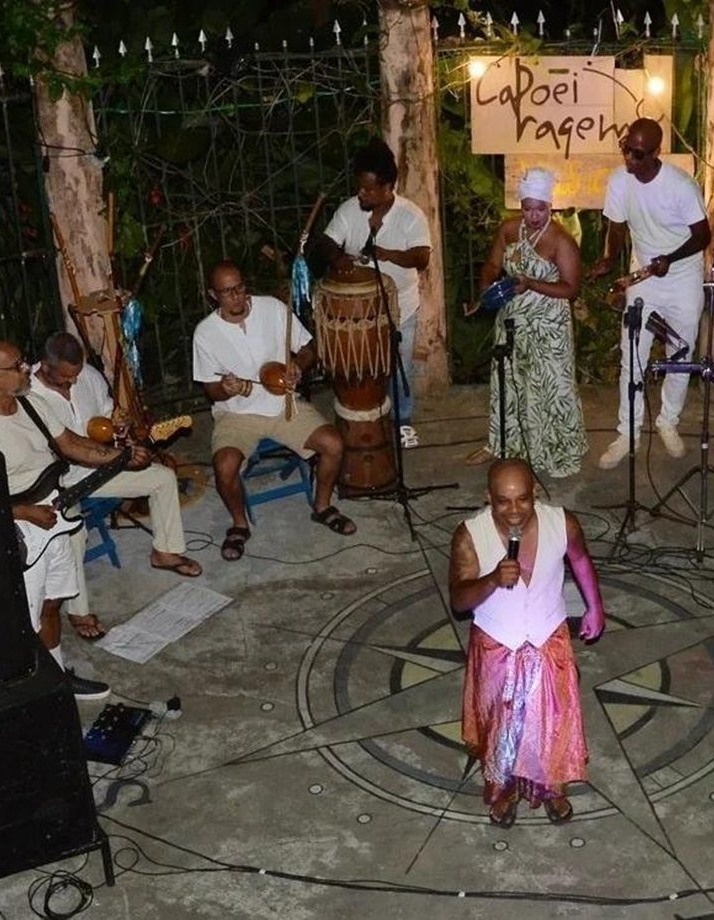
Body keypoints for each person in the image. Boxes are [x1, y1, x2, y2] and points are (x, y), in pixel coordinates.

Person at [0, 339, 145, 700]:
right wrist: (23, 511)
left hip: (55, 515)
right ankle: (34, 693)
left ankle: (58, 676)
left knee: (52, 603)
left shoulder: (30, 404)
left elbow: (70, 445)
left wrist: (120, 455)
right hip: (22, 529)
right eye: (16, 366)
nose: (26, 369)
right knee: (26, 618)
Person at [450, 458, 606, 826]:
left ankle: (552, 787)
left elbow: (581, 561)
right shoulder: (470, 534)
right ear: (489, 498)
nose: (514, 510)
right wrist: (490, 580)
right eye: (503, 501)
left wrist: (595, 607)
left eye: (522, 499)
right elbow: (458, 600)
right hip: (496, 645)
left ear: (535, 494)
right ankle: (505, 790)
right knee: (502, 726)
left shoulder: (562, 523)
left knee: (550, 721)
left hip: (548, 638)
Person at [29, 332, 202, 639]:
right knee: (73, 532)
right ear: (45, 365)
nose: (72, 383)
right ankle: (79, 611)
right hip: (57, 480)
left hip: (101, 467)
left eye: (76, 376)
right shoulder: (27, 393)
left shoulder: (88, 375)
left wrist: (118, 424)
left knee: (162, 477)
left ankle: (166, 551)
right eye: (65, 378)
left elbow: (108, 412)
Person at [192, 260, 355, 561]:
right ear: (213, 295)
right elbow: (210, 390)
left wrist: (298, 365)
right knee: (224, 467)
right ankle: (240, 525)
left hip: (283, 404)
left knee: (333, 443)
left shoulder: (272, 309)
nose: (237, 297)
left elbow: (310, 347)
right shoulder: (205, 333)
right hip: (236, 415)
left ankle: (322, 507)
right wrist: (225, 388)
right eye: (227, 292)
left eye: (240, 288)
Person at [588, 117, 712, 468]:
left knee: (681, 353)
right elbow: (616, 224)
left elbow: (703, 235)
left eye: (638, 154)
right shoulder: (619, 181)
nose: (630, 158)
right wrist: (609, 258)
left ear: (656, 152)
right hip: (643, 274)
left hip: (682, 275)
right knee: (633, 352)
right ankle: (628, 431)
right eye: (626, 149)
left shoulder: (680, 186)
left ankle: (668, 421)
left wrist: (669, 260)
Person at [470, 167, 587, 478]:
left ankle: (554, 450)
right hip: (511, 320)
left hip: (549, 327)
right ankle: (501, 445)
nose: (533, 216)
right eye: (527, 208)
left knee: (550, 388)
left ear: (549, 206)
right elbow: (493, 264)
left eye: (540, 208)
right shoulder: (509, 230)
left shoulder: (561, 240)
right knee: (508, 382)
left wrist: (531, 284)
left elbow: (570, 289)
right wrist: (485, 290)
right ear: (520, 206)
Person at [318, 137, 432, 448]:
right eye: (360, 187)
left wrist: (390, 254)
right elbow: (327, 241)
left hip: (401, 308)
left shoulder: (411, 215)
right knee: (362, 368)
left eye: (369, 188)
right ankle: (363, 418)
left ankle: (403, 421)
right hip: (359, 312)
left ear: (388, 187)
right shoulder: (349, 210)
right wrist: (335, 257)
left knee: (400, 368)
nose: (362, 193)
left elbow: (422, 257)